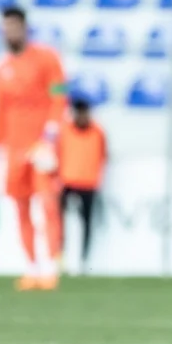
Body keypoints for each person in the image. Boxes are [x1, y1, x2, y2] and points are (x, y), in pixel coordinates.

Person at [0, 5, 66, 291]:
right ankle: (31, 267)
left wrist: (51, 135)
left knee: (47, 204)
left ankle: (51, 266)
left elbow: (60, 95)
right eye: (5, 28)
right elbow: (0, 113)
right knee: (21, 207)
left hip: (41, 145)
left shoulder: (47, 59)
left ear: (24, 28)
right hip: (14, 148)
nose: (9, 32)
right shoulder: (1, 71)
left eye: (13, 27)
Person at [58, 96, 108, 272]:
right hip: (67, 182)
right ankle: (60, 257)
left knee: (86, 223)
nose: (81, 116)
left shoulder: (98, 132)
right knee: (60, 223)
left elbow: (103, 155)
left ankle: (84, 260)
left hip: (88, 183)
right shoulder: (65, 130)